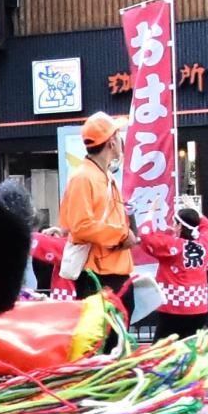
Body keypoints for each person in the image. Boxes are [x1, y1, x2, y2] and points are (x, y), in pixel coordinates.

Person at [59, 112, 135, 301]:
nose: (121, 140)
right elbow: (81, 226)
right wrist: (122, 235)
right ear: (111, 142)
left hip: (112, 272)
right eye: (117, 134)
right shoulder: (83, 177)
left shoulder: (102, 175)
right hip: (98, 276)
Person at [140, 207, 208, 342]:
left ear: (179, 226)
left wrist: (150, 212)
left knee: (162, 348)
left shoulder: (173, 245)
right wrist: (197, 212)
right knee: (190, 348)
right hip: (198, 306)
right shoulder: (204, 244)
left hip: (173, 307)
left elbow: (145, 235)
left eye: (175, 223)